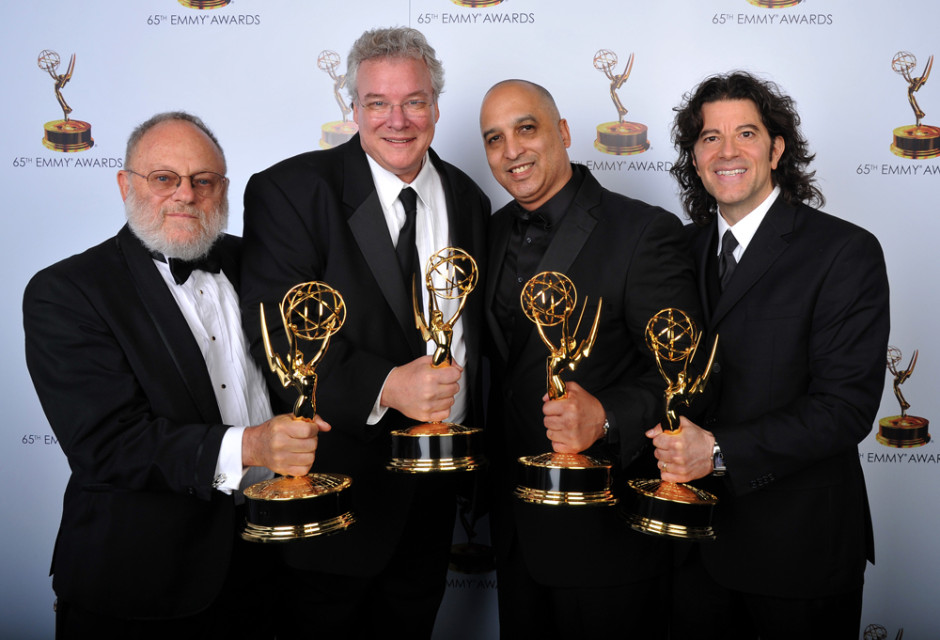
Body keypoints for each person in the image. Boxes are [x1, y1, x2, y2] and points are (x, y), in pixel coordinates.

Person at [23, 111, 329, 639]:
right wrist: (251, 447)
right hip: (142, 585)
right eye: (164, 178)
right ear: (125, 184)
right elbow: (108, 444)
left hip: (273, 565)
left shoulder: (255, 261)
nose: (185, 194)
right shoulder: (67, 291)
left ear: (223, 189)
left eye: (203, 181)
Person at [239, 27, 489, 638]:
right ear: (353, 109)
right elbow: (279, 337)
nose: (398, 120)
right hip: (333, 508)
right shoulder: (292, 192)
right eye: (378, 102)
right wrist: (385, 386)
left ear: (436, 105)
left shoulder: (471, 200)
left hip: (433, 508)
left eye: (414, 101)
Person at [649, 71, 890, 639]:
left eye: (747, 134)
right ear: (694, 154)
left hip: (797, 555)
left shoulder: (844, 251)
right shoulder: (677, 250)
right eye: (710, 137)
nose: (727, 152)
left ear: (777, 148)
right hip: (690, 551)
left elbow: (844, 408)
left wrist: (718, 449)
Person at [479, 79, 701, 637]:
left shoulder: (644, 232)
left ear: (563, 132)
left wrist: (604, 415)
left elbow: (687, 374)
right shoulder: (487, 232)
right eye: (493, 138)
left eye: (526, 128)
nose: (511, 151)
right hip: (514, 527)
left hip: (607, 532)